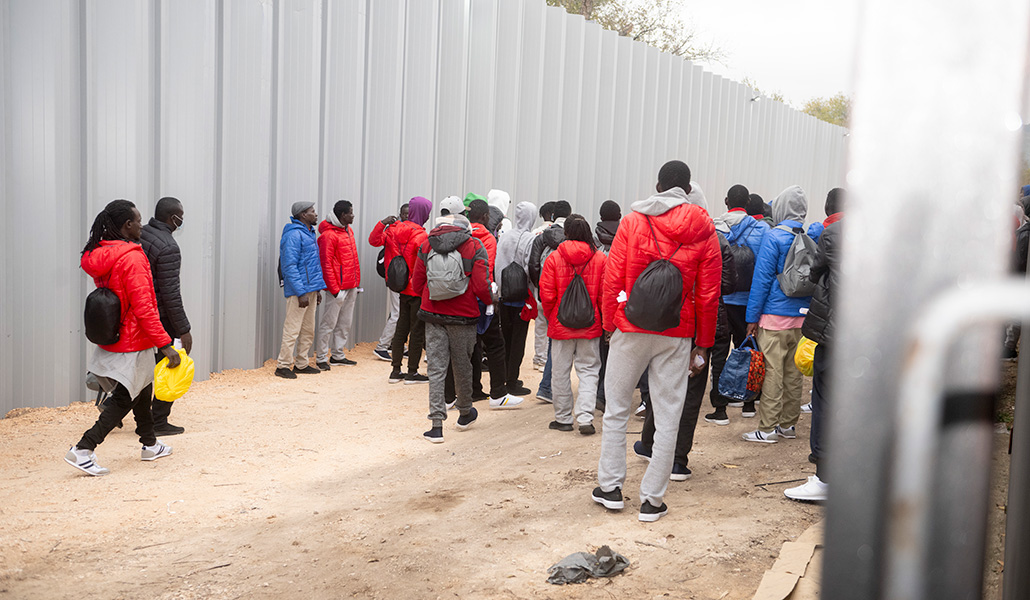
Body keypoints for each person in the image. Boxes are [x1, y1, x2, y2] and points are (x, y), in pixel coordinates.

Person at [593, 160, 721, 522]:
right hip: (677, 332)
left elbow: (613, 277)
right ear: (688, 188)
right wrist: (703, 343)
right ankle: (652, 499)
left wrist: (609, 322)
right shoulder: (704, 227)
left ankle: (611, 488)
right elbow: (709, 293)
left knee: (617, 408)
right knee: (668, 416)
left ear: (659, 185)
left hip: (630, 326)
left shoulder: (633, 221)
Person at [66, 199, 181, 476]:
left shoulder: (103, 254)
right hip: (134, 338)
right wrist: (165, 344)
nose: (142, 225)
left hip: (114, 333)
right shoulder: (132, 256)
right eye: (138, 221)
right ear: (127, 225)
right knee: (124, 397)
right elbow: (144, 306)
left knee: (142, 388)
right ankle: (83, 449)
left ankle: (150, 444)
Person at [412, 213, 494, 442]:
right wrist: (490, 300)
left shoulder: (427, 244)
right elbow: (480, 285)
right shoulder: (474, 245)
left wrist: (432, 296)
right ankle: (465, 413)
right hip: (463, 315)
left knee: (437, 369)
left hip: (433, 314)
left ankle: (436, 425)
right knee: (462, 365)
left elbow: (417, 282)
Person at [742, 185, 813, 443]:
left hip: (774, 318)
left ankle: (768, 428)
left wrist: (752, 318)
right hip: (801, 318)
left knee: (773, 372)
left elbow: (761, 280)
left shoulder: (773, 237)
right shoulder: (807, 237)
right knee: (794, 374)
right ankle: (788, 425)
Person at [785, 204, 844, 501]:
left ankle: (824, 478)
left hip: (835, 331)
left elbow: (815, 272)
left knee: (825, 399)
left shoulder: (835, 233)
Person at [539, 215, 606, 435]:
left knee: (560, 372)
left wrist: (553, 318)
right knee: (589, 371)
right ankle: (586, 417)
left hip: (561, 326)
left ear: (566, 233)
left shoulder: (554, 258)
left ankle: (563, 418)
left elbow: (547, 295)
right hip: (590, 326)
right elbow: (605, 296)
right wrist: (603, 321)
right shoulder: (599, 259)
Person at [709, 184, 770, 423]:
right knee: (750, 351)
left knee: (719, 352)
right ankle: (748, 404)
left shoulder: (715, 228)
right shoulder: (762, 229)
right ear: (748, 203)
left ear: (726, 201)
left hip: (722, 300)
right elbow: (765, 272)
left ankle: (720, 409)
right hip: (749, 302)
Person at [139, 196, 192, 436]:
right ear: (174, 218)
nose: (182, 219)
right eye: (181, 215)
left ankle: (113, 405)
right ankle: (158, 421)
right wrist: (183, 328)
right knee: (171, 363)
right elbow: (171, 293)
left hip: (140, 311)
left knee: (140, 365)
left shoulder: (142, 233)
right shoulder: (168, 246)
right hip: (160, 316)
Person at [468, 199, 525, 407]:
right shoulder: (488, 239)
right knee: (496, 344)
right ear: (485, 217)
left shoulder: (463, 235)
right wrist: (492, 298)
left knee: (472, 345)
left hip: (463, 299)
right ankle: (498, 394)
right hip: (483, 299)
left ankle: (473, 389)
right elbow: (487, 269)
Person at [369, 196, 432, 384]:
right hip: (417, 289)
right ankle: (412, 372)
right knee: (417, 331)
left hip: (400, 286)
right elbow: (424, 265)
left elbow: (373, 240)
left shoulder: (393, 230)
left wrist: (382, 224)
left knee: (400, 329)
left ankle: (395, 370)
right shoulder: (422, 236)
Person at [275, 202, 326, 379]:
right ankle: (282, 366)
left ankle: (301, 364)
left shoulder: (309, 233)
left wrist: (317, 290)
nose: (316, 214)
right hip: (299, 292)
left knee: (308, 329)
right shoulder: (294, 235)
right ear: (303, 215)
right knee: (292, 328)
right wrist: (300, 292)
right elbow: (289, 266)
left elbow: (312, 266)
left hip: (310, 290)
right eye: (312, 212)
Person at [530, 200, 572, 403]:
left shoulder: (541, 235)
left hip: (545, 293)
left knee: (543, 329)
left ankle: (540, 364)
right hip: (569, 298)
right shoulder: (574, 236)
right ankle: (550, 388)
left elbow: (533, 263)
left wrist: (539, 287)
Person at [496, 201, 538, 399]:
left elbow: (497, 265)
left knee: (505, 338)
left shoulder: (505, 236)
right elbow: (531, 267)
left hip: (504, 297)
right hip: (521, 298)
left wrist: (499, 293)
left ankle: (503, 376)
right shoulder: (530, 239)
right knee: (518, 341)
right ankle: (512, 381)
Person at [315, 200, 360, 370]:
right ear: (343, 215)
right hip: (338, 289)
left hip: (350, 285)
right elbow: (325, 264)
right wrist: (334, 290)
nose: (353, 215)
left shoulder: (348, 231)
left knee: (344, 323)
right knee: (328, 323)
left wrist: (355, 284)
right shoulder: (329, 235)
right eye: (350, 212)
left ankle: (338, 355)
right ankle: (321, 357)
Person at [594, 201, 623, 411]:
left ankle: (600, 394)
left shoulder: (593, 239)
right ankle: (614, 395)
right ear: (619, 215)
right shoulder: (627, 237)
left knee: (602, 352)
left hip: (599, 300)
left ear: (601, 216)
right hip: (622, 300)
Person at [373, 203, 408, 362]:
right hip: (396, 277)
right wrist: (382, 223)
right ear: (400, 214)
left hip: (405, 277)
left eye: (409, 213)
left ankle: (395, 342)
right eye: (404, 214)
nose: (407, 216)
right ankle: (382, 346)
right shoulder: (392, 229)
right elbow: (373, 240)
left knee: (399, 311)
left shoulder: (412, 228)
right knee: (397, 313)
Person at [531, 202, 556, 371]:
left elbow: (531, 261)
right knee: (552, 323)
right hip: (555, 286)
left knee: (540, 324)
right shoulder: (563, 233)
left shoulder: (535, 233)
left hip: (538, 285)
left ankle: (539, 357)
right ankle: (549, 360)